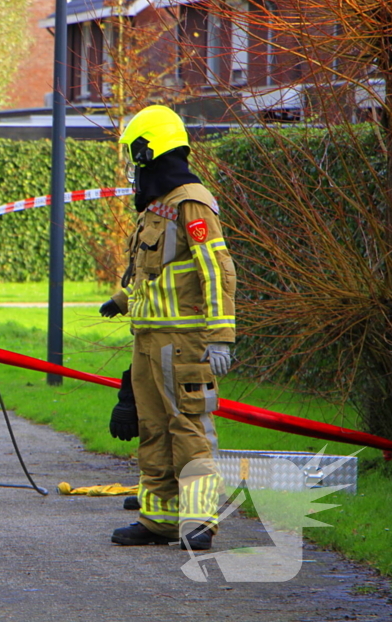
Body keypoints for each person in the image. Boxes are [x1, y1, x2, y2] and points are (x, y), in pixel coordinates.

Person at [100, 105, 236, 551]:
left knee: (188, 428)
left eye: (132, 153)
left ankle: (200, 521)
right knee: (153, 427)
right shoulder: (158, 205)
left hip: (184, 341)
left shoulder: (190, 202)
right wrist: (122, 300)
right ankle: (158, 519)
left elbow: (216, 269)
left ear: (148, 150)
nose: (130, 164)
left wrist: (220, 335)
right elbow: (151, 270)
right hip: (149, 337)